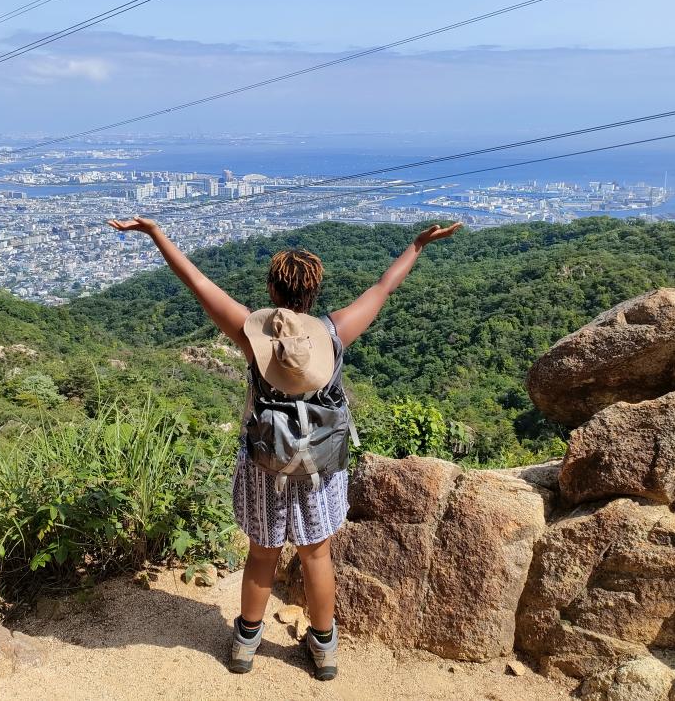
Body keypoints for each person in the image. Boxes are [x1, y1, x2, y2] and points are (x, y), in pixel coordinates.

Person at [106, 215, 462, 680]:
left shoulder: (252, 336)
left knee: (262, 553)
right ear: (312, 293)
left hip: (265, 464)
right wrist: (416, 246)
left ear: (273, 292)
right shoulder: (335, 333)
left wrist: (155, 233)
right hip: (319, 461)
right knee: (317, 554)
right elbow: (382, 289)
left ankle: (245, 644)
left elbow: (196, 281)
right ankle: (324, 650)